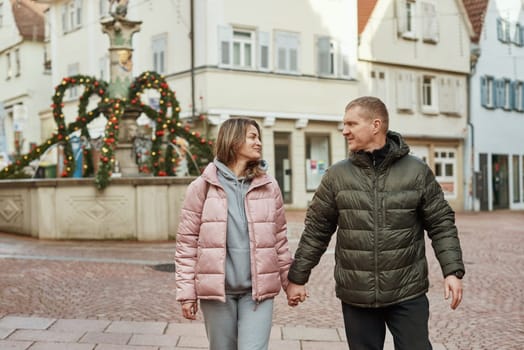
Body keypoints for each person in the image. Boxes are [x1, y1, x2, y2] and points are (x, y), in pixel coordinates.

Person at [286, 96, 464, 350]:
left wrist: (452, 271)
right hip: (357, 295)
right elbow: (316, 231)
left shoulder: (416, 171)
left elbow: (441, 223)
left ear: (375, 125)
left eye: (351, 123)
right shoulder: (337, 175)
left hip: (407, 291)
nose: (344, 130)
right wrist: (297, 277)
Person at [175, 117, 293, 350]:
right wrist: (187, 293)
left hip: (257, 293)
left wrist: (290, 283)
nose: (258, 142)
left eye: (258, 137)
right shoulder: (202, 187)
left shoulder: (269, 186)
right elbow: (186, 244)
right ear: (233, 140)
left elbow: (279, 240)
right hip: (218, 293)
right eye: (252, 136)